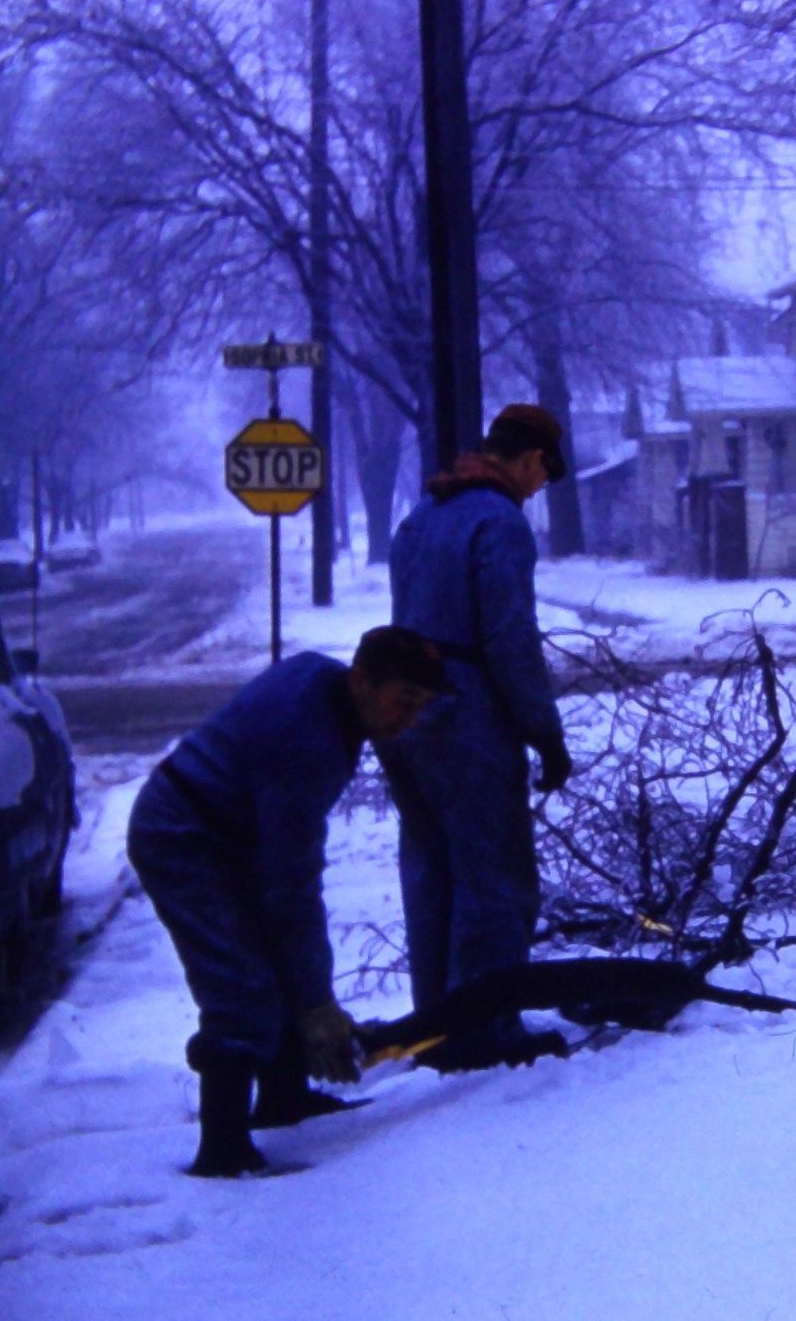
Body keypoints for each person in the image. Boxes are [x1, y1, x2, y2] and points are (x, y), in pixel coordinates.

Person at [127, 625, 452, 1178]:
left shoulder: (325, 683)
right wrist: (317, 1005)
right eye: (404, 700)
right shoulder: (306, 744)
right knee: (239, 983)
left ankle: (283, 1098)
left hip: (232, 829)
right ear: (362, 682)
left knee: (274, 963)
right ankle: (223, 1152)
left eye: (421, 705)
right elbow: (291, 886)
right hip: (182, 835)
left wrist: (308, 992)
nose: (410, 719)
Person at [379, 403, 575, 1071]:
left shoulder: (421, 517)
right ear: (531, 459)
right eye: (544, 474)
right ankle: (484, 1031)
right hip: (467, 719)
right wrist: (545, 734)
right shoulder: (500, 523)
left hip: (406, 719)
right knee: (494, 878)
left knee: (431, 872)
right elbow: (510, 639)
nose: (540, 488)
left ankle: (434, 1029)